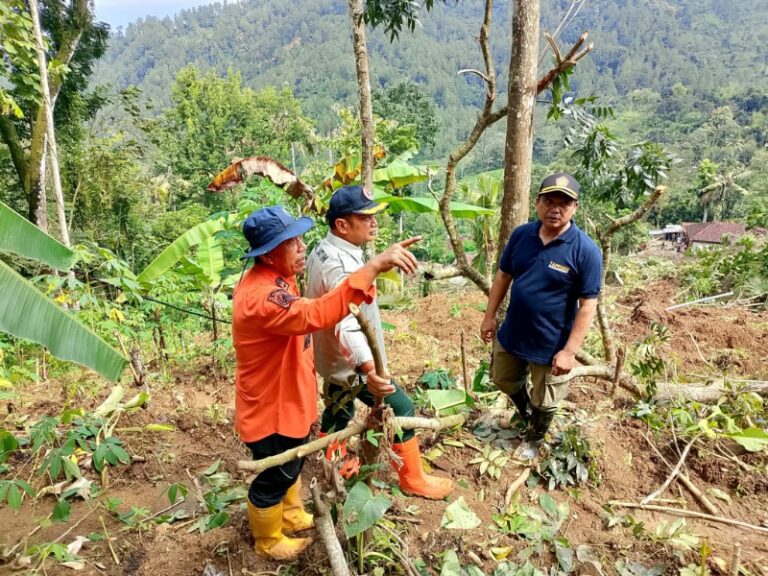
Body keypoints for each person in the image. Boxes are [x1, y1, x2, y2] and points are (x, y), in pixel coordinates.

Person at [233, 205, 421, 561]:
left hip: (287, 393)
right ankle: (268, 538)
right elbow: (315, 313)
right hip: (272, 403)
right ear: (269, 254)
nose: (302, 247)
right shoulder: (262, 298)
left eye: (301, 238)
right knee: (276, 471)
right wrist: (374, 267)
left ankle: (289, 514)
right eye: (292, 243)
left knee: (293, 459)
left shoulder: (274, 277)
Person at [305, 185, 454, 499]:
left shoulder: (327, 249)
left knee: (338, 407)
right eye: (365, 217)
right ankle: (413, 479)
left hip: (332, 361)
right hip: (352, 364)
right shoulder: (339, 265)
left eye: (374, 215)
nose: (374, 222)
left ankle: (335, 464)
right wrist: (371, 370)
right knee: (399, 407)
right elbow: (346, 324)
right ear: (342, 225)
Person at [480, 173, 602, 460]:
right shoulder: (522, 235)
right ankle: (524, 413)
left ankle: (534, 438)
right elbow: (503, 276)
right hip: (513, 333)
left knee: (546, 398)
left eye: (564, 203)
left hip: (551, 343)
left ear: (575, 208)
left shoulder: (585, 251)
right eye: (549, 201)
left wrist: (570, 351)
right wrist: (489, 316)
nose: (555, 209)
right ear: (537, 203)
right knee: (502, 379)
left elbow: (588, 305)